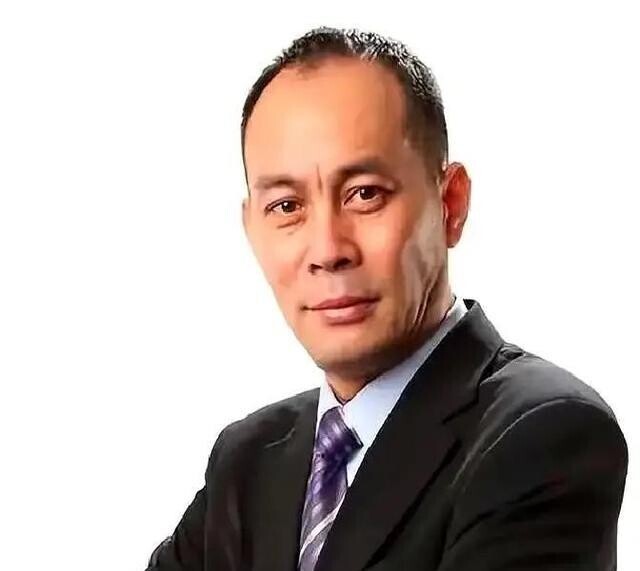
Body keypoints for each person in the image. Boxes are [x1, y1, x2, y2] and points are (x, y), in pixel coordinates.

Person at [146, 27, 628, 571]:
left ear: (450, 204)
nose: (327, 250)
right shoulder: (246, 461)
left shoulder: (541, 434)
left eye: (364, 194)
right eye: (286, 206)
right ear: (251, 227)